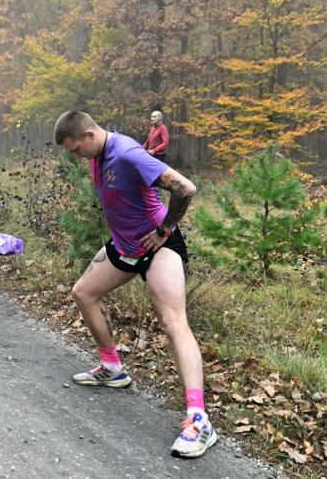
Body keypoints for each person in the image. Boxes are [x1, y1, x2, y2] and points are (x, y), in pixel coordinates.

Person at [53, 110, 215, 458]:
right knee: (83, 293)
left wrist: (163, 231)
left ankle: (199, 420)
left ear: (90, 136)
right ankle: (112, 367)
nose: (75, 157)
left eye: (76, 150)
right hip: (126, 248)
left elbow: (186, 188)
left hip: (159, 248)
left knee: (174, 323)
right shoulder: (99, 154)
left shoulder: (128, 154)